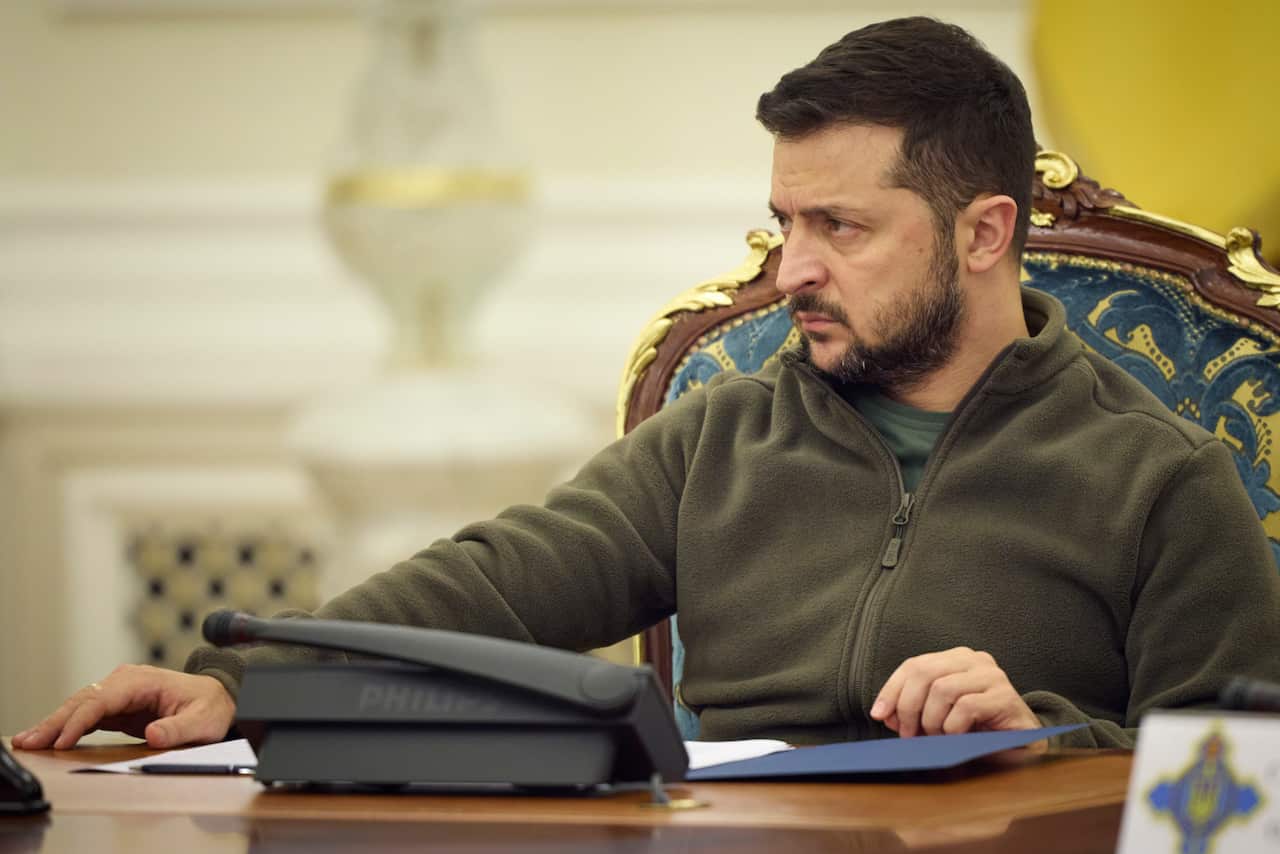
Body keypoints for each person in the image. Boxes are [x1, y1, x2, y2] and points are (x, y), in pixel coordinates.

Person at [14, 17, 1280, 754]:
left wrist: (1041, 733)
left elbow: (1238, 802)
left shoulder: (1156, 477)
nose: (791, 270)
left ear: (984, 233)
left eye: (840, 227)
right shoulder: (719, 434)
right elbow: (495, 580)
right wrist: (244, 682)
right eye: (783, 223)